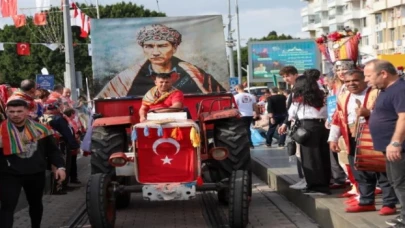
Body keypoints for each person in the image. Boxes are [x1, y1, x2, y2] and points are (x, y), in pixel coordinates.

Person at [329, 70, 397, 214]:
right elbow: (337, 118)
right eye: (347, 82)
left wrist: (369, 114)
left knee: (382, 171)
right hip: (352, 138)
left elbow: (391, 113)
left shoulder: (378, 93)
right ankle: (366, 201)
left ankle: (389, 204)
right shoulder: (343, 97)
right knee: (360, 172)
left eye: (355, 80)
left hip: (375, 137)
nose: (351, 84)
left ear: (364, 80)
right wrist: (333, 138)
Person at [96, 24, 226, 98]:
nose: (156, 52)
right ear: (143, 49)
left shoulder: (195, 74)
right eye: (149, 46)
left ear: (174, 48)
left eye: (162, 46)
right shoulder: (126, 79)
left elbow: (219, 99)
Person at [0, 99, 66, 228]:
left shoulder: (41, 129)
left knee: (35, 204)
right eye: (11, 111)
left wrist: (60, 167)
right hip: (9, 174)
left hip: (35, 173)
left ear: (27, 112)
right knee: (7, 207)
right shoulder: (1, 131)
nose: (15, 114)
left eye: (19, 111)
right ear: (7, 112)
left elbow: (52, 151)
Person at [364, 59, 405, 228]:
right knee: (396, 181)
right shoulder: (387, 90)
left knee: (401, 182)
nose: (366, 80)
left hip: (398, 147)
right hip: (389, 147)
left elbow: (403, 116)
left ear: (383, 73)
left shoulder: (400, 89)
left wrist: (395, 142)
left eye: (368, 76)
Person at [288, 76, 331, 195]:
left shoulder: (299, 98)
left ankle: (315, 185)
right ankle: (325, 183)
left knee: (310, 157)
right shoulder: (323, 95)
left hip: (307, 126)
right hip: (323, 126)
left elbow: (291, 113)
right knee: (323, 156)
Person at [40, 99, 81, 191]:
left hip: (46, 146)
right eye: (60, 106)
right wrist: (75, 145)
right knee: (62, 165)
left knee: (51, 166)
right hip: (61, 145)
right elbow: (66, 133)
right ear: (55, 107)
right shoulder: (58, 118)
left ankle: (54, 186)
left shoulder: (41, 117)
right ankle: (61, 186)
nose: (62, 108)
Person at [277, 66, 306, 189]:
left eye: (288, 76)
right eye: (284, 77)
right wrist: (285, 123)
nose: (286, 79)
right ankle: (303, 178)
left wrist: (286, 123)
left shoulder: (302, 88)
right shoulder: (293, 90)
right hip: (295, 125)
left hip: (302, 125)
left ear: (295, 74)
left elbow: (294, 110)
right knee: (298, 153)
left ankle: (307, 179)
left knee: (303, 153)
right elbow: (290, 110)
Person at [234, 84, 259, 149]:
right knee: (247, 128)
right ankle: (249, 143)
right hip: (250, 114)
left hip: (241, 115)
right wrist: (257, 113)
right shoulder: (251, 96)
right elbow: (255, 106)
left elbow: (234, 107)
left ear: (237, 89)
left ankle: (248, 144)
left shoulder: (236, 97)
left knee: (243, 130)